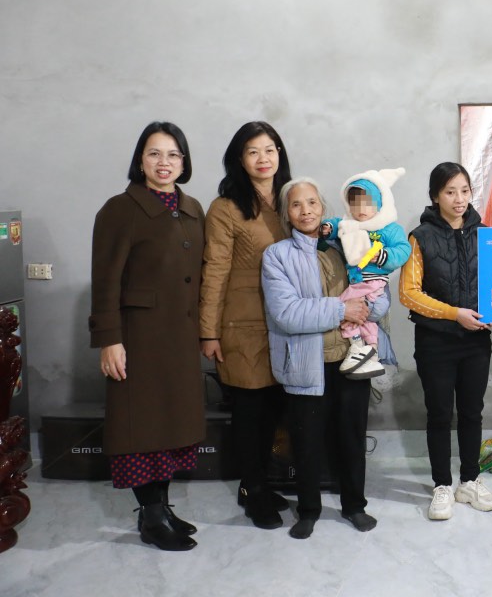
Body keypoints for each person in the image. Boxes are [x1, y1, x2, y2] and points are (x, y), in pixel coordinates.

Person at [90, 121, 205, 551]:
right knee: (140, 428)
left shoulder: (192, 208)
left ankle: (162, 508)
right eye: (154, 153)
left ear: (184, 162)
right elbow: (105, 280)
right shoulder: (120, 209)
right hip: (137, 339)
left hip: (180, 338)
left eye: (173, 154)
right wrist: (109, 339)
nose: (164, 162)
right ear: (140, 160)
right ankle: (151, 517)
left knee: (170, 426)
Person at [262, 178, 389, 539]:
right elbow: (286, 313)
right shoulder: (277, 255)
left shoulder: (347, 245)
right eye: (297, 204)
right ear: (287, 213)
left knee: (352, 438)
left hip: (352, 360)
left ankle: (354, 506)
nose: (306, 211)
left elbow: (378, 291)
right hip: (306, 363)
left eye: (312, 203)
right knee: (306, 442)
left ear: (323, 208)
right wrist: (342, 309)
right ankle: (308, 510)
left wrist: (368, 307)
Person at [199, 121, 292, 529]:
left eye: (269, 149)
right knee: (250, 412)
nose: (263, 158)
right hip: (242, 324)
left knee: (274, 408)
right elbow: (214, 270)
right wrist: (208, 331)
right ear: (239, 159)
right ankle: (254, 491)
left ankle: (256, 483)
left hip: (286, 324)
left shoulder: (291, 199)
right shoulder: (226, 207)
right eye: (253, 151)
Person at [398, 162, 492, 521]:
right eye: (450, 192)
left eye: (465, 190)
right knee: (440, 414)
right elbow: (409, 294)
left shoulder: (487, 236)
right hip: (435, 342)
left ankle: (469, 481)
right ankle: (442, 485)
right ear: (435, 196)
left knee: (472, 412)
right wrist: (454, 313)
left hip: (476, 341)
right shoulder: (419, 237)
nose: (459, 199)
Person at [318, 168, 410, 380]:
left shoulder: (388, 228)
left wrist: (383, 256)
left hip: (374, 285)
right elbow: (336, 225)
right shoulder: (349, 224)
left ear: (379, 202)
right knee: (359, 316)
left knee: (343, 307)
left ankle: (358, 346)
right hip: (357, 283)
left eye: (367, 203)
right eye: (355, 204)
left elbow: (403, 249)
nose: (361, 209)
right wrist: (327, 227)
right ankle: (371, 350)